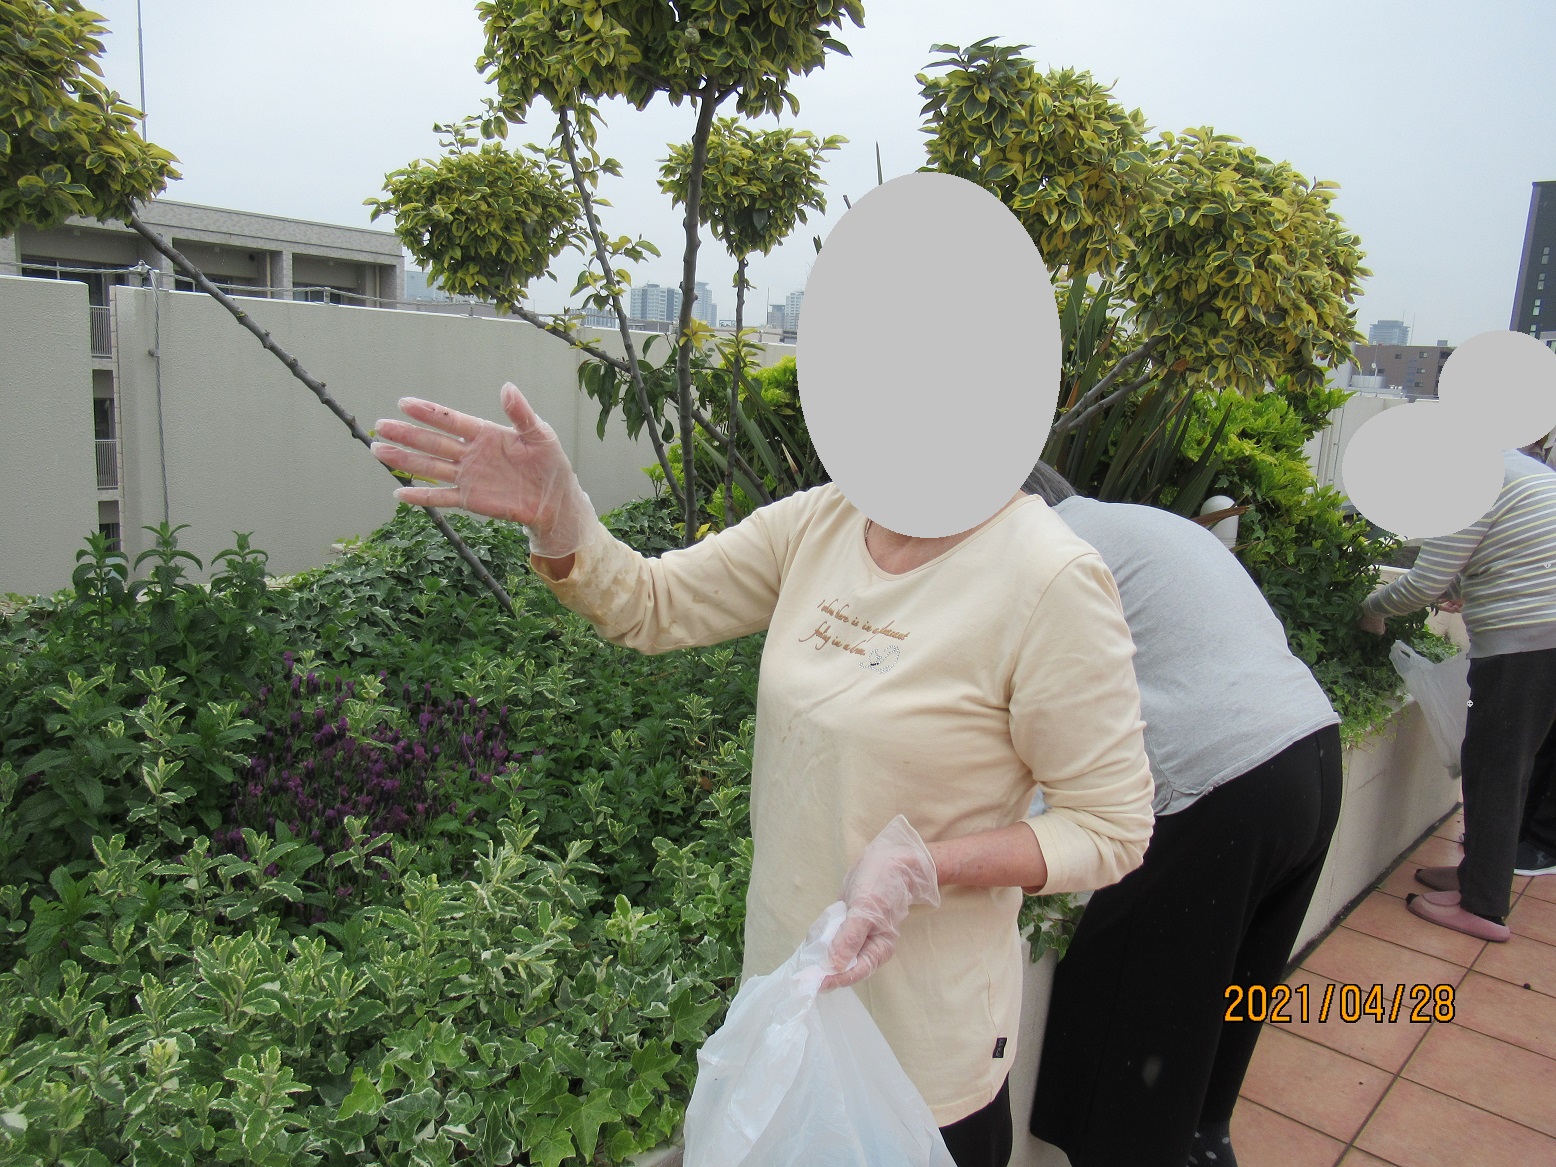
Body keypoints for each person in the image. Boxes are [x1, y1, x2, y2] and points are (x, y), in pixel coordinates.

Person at [371, 385, 1156, 1167]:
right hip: (785, 1008)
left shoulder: (1047, 577)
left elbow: (1111, 825)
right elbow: (652, 601)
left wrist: (925, 862)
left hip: (920, 1059)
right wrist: (560, 513)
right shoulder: (826, 520)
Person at [1022, 462, 1342, 1167]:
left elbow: (1035, 719)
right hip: (1312, 757)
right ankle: (1205, 1139)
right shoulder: (1141, 525)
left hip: (1227, 785)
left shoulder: (1043, 554)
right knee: (1227, 1005)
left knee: (1126, 1029)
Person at [1359, 446, 1556, 941]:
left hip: (1528, 638)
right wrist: (1461, 588)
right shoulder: (1504, 464)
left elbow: (1423, 582)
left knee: (1495, 765)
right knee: (1509, 762)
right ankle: (1480, 875)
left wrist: (1371, 609)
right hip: (1545, 633)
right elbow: (1516, 545)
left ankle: (1482, 906)